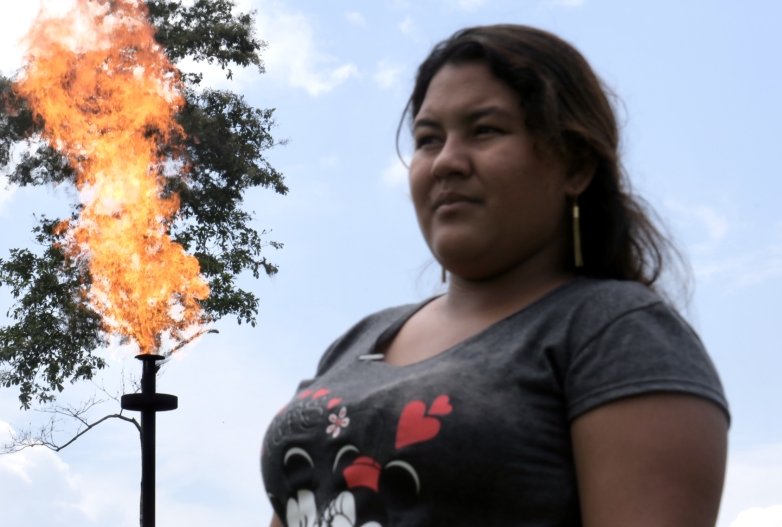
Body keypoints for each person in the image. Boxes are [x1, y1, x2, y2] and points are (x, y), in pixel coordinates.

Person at [261, 24, 729, 527]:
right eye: (428, 139)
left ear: (575, 165)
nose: (446, 162)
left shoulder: (615, 331)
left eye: (485, 130)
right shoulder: (356, 341)